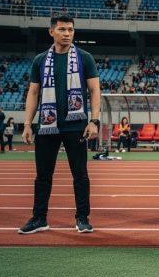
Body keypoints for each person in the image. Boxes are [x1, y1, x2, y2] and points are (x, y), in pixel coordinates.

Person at [18, 14, 101, 234]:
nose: (67, 34)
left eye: (71, 30)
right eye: (62, 29)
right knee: (43, 175)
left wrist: (94, 121)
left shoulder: (85, 58)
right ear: (51, 31)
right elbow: (33, 92)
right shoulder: (40, 60)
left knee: (80, 175)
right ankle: (39, 218)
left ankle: (82, 218)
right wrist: (27, 123)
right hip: (47, 126)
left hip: (76, 125)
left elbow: (94, 90)